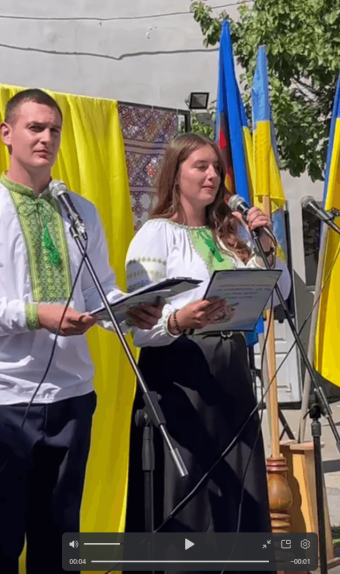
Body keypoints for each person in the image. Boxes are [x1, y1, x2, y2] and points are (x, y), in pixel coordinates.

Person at [0, 88, 162, 574]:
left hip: (72, 396)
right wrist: (35, 314)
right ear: (6, 133)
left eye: (54, 130)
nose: (46, 138)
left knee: (61, 543)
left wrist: (130, 312)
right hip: (0, 401)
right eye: (35, 127)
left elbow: (100, 288)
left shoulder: (80, 211)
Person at [123, 133, 291, 572]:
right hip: (181, 377)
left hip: (230, 376)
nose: (212, 175)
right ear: (175, 174)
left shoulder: (229, 237)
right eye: (200, 166)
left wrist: (265, 245)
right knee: (192, 495)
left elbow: (279, 292)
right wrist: (180, 319)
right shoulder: (155, 235)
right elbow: (138, 326)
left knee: (238, 492)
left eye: (215, 167)